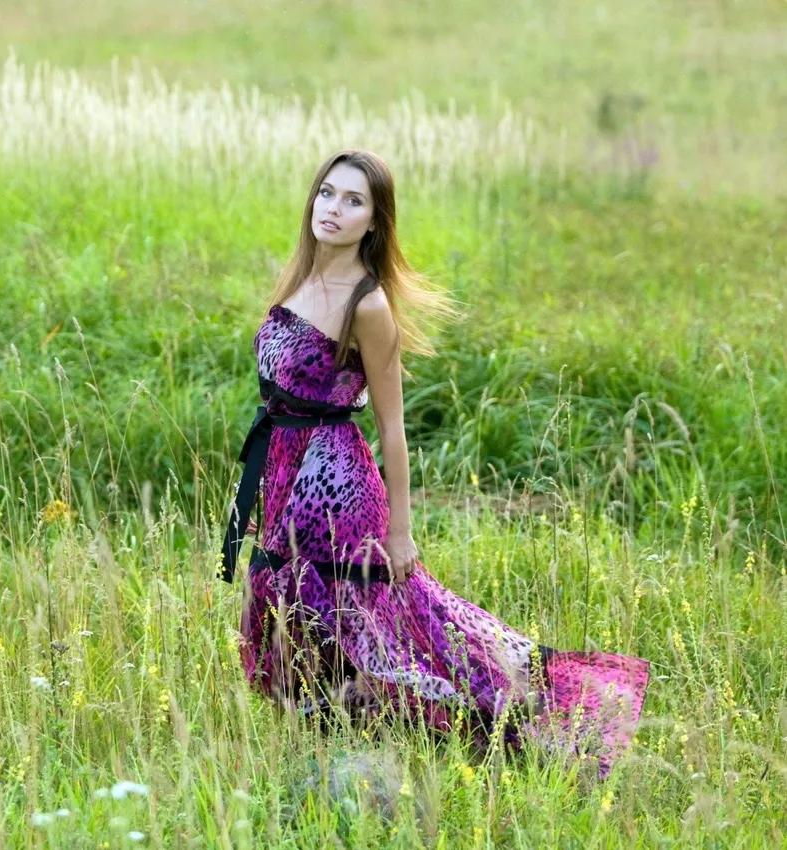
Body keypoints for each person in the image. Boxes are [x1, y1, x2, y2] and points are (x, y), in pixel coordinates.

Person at [221, 149, 649, 780]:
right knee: (282, 609)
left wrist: (400, 531)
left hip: (334, 486)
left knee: (383, 622)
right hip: (283, 472)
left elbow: (392, 428)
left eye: (354, 201)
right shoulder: (299, 280)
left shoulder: (367, 306)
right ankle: (326, 749)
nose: (333, 209)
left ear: (375, 221)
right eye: (327, 193)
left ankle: (537, 712)